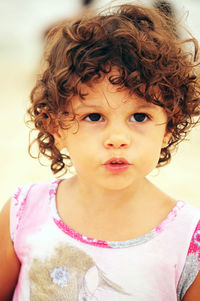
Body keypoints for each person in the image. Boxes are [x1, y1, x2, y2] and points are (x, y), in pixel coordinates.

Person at [0, 3, 200, 300]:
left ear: (168, 126)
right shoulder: (23, 212)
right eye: (93, 117)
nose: (117, 138)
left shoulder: (187, 240)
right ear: (56, 128)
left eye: (140, 117)